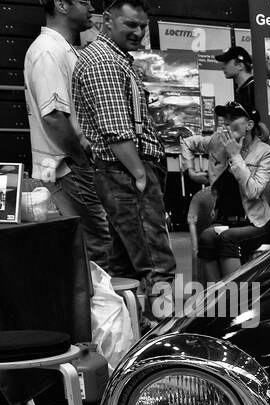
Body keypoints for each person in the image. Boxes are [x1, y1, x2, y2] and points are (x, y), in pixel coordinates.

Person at [72, 0, 175, 313]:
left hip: (122, 173)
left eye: (143, 25)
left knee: (126, 264)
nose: (139, 32)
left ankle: (133, 337)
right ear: (107, 20)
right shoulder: (103, 60)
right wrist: (140, 174)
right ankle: (160, 343)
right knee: (157, 265)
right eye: (130, 24)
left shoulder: (115, 59)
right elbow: (117, 130)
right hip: (126, 172)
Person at [23, 0, 110, 269]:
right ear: (61, 4)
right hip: (68, 169)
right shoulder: (48, 51)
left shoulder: (62, 48)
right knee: (98, 249)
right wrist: (81, 161)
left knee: (94, 247)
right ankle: (97, 311)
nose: (91, 7)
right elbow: (53, 117)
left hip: (71, 167)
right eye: (84, 1)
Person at [180, 103, 270, 282]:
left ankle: (235, 301)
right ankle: (216, 300)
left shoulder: (265, 152)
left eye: (232, 118)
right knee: (206, 239)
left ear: (249, 125)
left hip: (254, 222)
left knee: (227, 239)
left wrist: (235, 156)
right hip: (223, 220)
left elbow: (253, 191)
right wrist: (190, 171)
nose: (226, 123)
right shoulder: (217, 140)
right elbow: (187, 142)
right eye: (225, 119)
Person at [215, 45, 257, 116]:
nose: (222, 67)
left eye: (226, 62)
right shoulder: (245, 89)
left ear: (240, 66)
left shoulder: (253, 90)